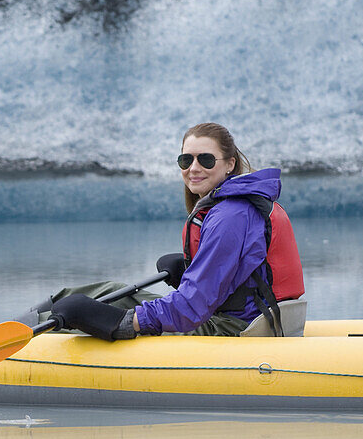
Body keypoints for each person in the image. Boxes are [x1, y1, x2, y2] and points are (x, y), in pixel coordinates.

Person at [42, 122, 304, 340]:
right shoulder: (240, 205)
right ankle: (35, 315)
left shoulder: (231, 215)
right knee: (110, 290)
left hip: (234, 329)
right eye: (185, 159)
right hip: (257, 317)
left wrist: (122, 321)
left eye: (206, 159)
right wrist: (194, 268)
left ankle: (37, 336)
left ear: (229, 164)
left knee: (106, 309)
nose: (194, 168)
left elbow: (191, 307)